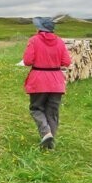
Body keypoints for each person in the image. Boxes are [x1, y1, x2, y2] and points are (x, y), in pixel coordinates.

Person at [23, 17, 72, 149]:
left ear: (40, 28)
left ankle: (46, 133)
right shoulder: (60, 41)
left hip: (38, 80)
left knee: (36, 108)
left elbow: (27, 61)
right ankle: (50, 142)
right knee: (52, 112)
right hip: (56, 81)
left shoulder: (34, 40)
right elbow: (67, 62)